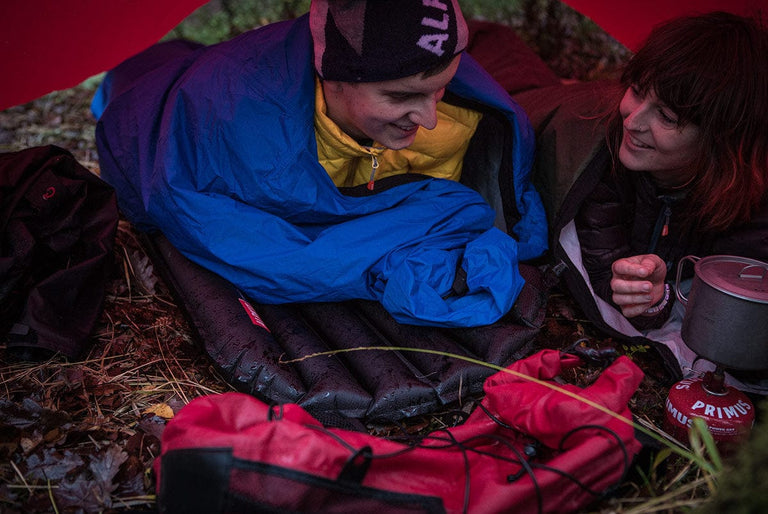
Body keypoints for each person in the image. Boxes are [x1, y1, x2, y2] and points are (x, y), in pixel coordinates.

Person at [91, 0, 548, 328]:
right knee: (135, 75)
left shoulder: (461, 122)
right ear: (333, 76)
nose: (428, 119)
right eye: (402, 96)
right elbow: (181, 190)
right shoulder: (237, 106)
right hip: (156, 88)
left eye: (441, 88)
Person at [560, 11, 768, 329]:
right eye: (637, 91)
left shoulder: (753, 207)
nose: (632, 121)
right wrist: (644, 295)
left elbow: (736, 319)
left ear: (720, 142)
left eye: (667, 117)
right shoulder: (603, 158)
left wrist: (658, 298)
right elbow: (605, 271)